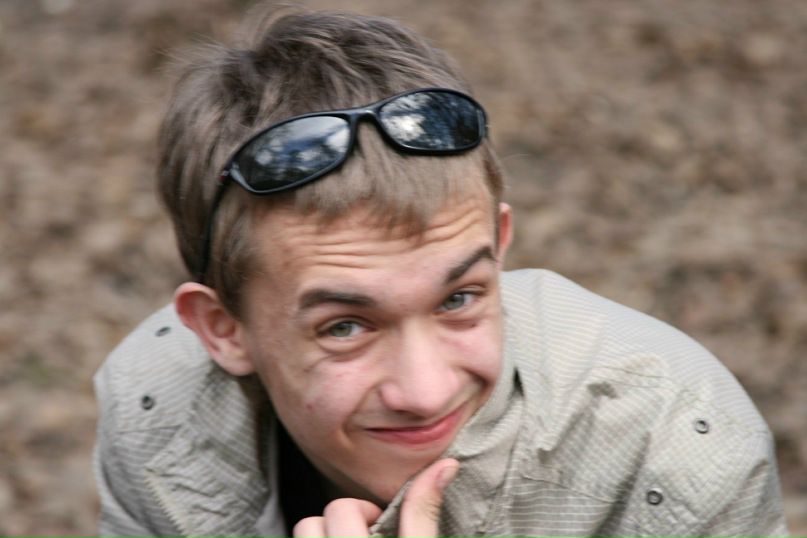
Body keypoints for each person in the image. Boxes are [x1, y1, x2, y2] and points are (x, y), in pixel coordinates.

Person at [93, 7, 790, 538]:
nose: (426, 393)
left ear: (500, 246)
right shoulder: (156, 416)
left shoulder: (671, 451)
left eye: (459, 298)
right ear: (223, 329)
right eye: (344, 326)